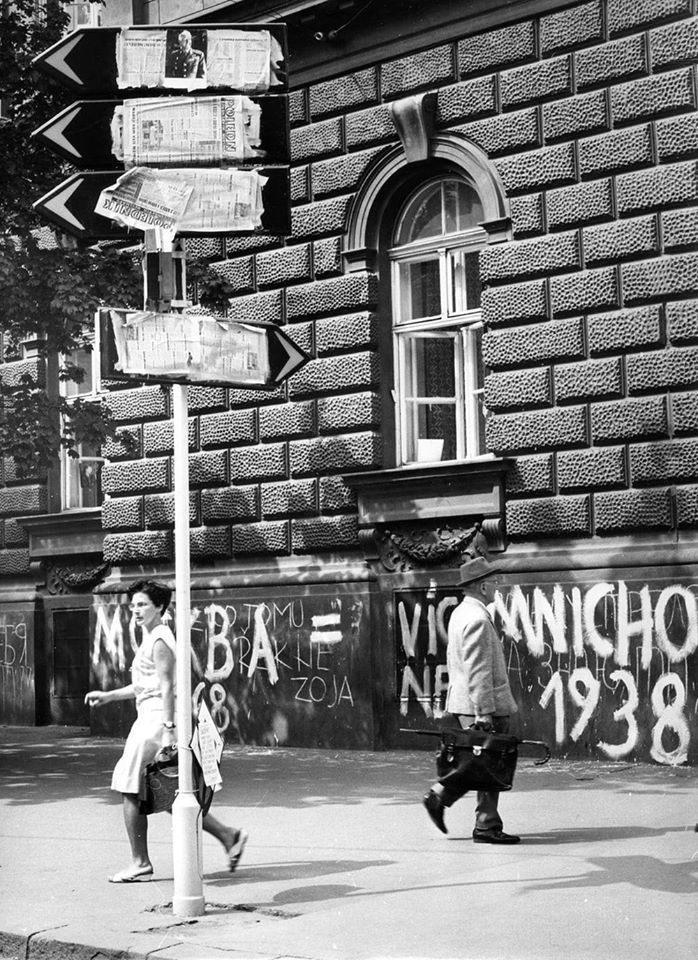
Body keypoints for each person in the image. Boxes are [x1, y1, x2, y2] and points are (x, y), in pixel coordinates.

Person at [85, 579, 247, 882]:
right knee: (170, 794)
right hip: (153, 717)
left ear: (159, 606)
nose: (136, 610)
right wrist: (109, 696)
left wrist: (170, 730)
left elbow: (169, 687)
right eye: (133, 605)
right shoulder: (153, 637)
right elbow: (146, 685)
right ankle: (228, 836)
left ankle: (140, 862)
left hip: (156, 721)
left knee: (129, 786)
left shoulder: (159, 638)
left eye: (143, 604)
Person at [423, 555, 520, 844]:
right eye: (492, 581)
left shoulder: (461, 613)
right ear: (481, 586)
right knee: (488, 763)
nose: (496, 585)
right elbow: (478, 670)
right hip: (480, 704)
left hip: (465, 702)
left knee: (479, 763)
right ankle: (485, 825)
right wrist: (485, 714)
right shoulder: (477, 619)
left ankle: (447, 802)